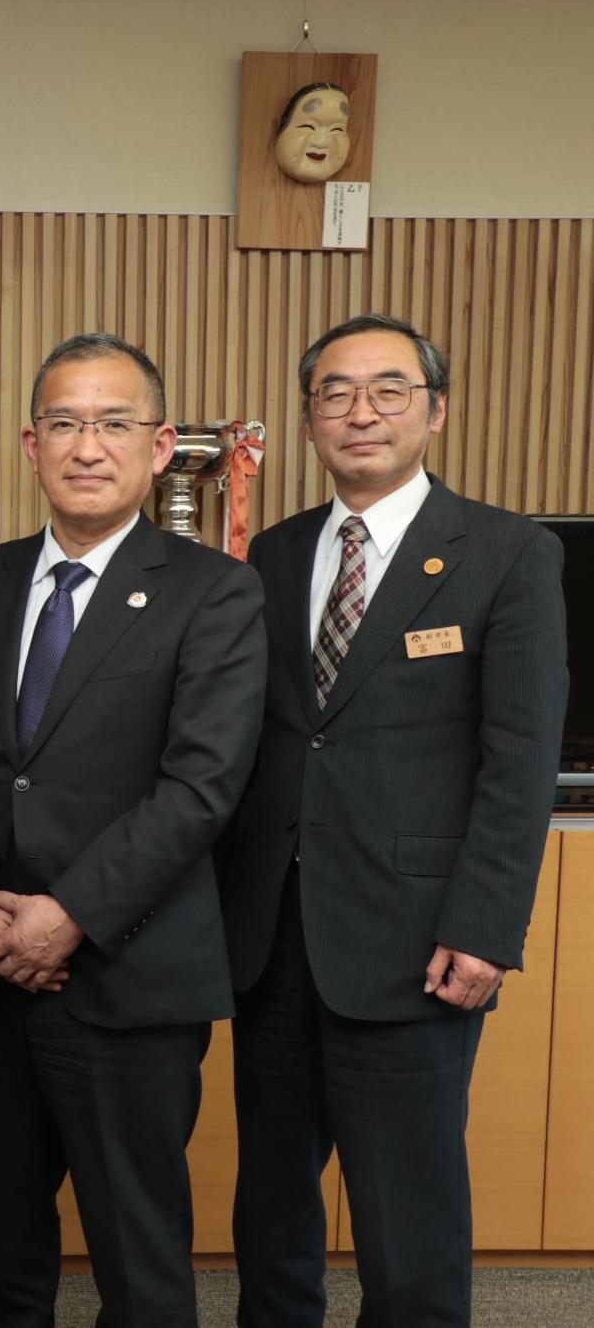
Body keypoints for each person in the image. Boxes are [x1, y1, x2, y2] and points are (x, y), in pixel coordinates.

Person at [221, 313, 569, 1327]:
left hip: (417, 939)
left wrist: (484, 926)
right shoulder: (271, 555)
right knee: (269, 1207)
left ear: (435, 409)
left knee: (404, 1222)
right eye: (333, 391)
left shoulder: (505, 553)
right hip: (271, 936)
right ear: (307, 418)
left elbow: (518, 757)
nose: (359, 411)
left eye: (387, 389)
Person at [0, 333, 267, 1326]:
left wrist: (65, 915)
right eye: (65, 423)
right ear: (29, 444)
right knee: (3, 1255)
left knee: (140, 1261)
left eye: (112, 424)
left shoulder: (215, 590)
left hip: (130, 977)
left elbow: (200, 787)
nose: (87, 445)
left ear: (159, 448)